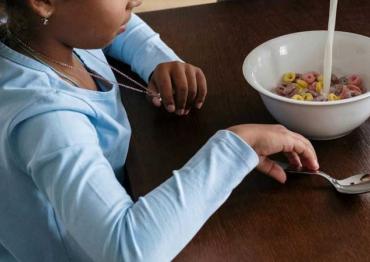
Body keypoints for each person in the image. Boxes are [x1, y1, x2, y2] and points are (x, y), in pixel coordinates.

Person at [0, 0, 319, 261]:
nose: (135, 1)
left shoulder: (38, 34)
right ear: (42, 2)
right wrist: (238, 145)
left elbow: (119, 27)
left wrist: (157, 60)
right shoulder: (49, 119)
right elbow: (128, 250)